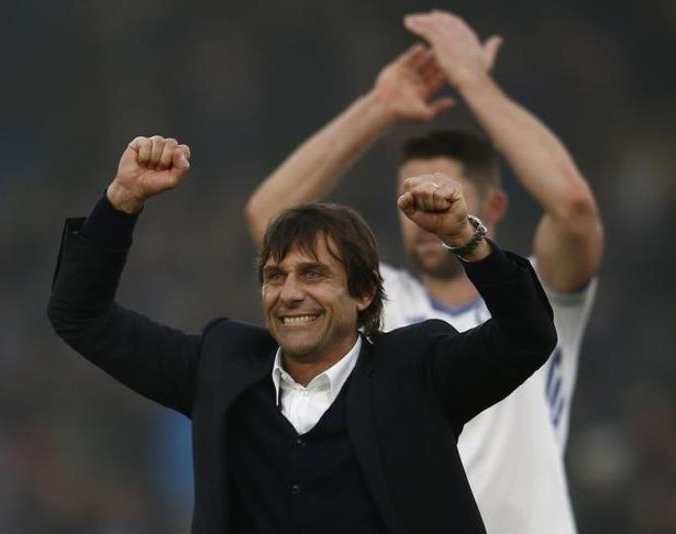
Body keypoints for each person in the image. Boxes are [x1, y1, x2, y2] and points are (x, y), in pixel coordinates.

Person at [48, 134, 557, 533]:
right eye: (275, 276)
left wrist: (465, 240)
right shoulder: (222, 366)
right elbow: (80, 315)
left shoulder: (417, 371)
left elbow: (527, 337)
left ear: (362, 294)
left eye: (313, 274)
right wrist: (122, 201)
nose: (289, 293)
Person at [245, 11, 603, 534]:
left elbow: (573, 207)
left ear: (493, 207)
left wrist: (473, 83)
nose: (425, 209)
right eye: (412, 195)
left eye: (442, 193)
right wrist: (379, 108)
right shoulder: (376, 301)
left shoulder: (536, 297)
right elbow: (271, 217)